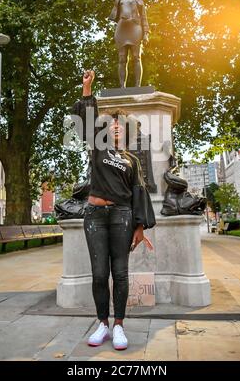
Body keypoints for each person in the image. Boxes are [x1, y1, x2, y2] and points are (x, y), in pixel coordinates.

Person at [71, 70, 156, 350]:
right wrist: (87, 88)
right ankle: (102, 324)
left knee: (120, 273)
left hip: (122, 217)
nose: (116, 126)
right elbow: (86, 119)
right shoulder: (98, 147)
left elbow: (138, 194)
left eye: (120, 124)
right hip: (95, 216)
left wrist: (140, 228)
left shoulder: (132, 160)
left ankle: (119, 326)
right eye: (113, 123)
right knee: (98, 274)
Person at [101, 0, 149, 88]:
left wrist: (146, 34)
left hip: (135, 29)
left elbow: (144, 18)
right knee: (122, 59)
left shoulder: (139, 1)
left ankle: (137, 86)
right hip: (121, 29)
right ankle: (122, 87)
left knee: (136, 57)